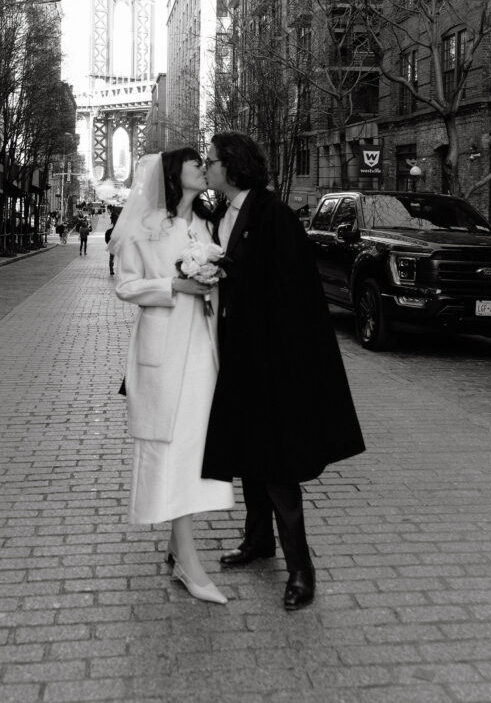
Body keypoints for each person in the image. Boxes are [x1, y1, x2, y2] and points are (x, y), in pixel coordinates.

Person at [202, 131, 365, 611]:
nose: (207, 168)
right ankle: (258, 541)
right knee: (248, 450)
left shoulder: (272, 214)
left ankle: (301, 568)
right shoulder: (222, 215)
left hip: (272, 355)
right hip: (236, 351)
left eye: (211, 161)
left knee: (275, 462)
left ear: (232, 166)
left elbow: (293, 289)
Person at [111, 149, 234, 605]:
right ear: (172, 173)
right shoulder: (143, 228)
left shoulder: (205, 225)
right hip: (162, 347)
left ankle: (176, 545)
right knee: (170, 445)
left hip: (201, 347)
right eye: (194, 163)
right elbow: (125, 285)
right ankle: (188, 559)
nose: (203, 167)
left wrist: (209, 283)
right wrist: (174, 286)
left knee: (195, 445)